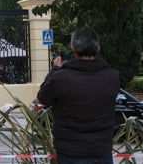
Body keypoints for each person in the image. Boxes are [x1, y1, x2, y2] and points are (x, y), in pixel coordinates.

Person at [37, 27, 121, 164]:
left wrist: (55, 70)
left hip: (70, 151)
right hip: (101, 150)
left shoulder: (60, 78)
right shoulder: (113, 77)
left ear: (73, 48)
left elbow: (43, 98)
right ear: (98, 48)